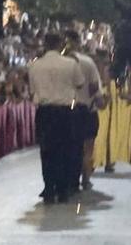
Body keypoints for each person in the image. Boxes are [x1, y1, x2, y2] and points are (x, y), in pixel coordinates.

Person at [28, 34, 86, 205]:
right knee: (66, 150)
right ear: (60, 44)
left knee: (46, 151)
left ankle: (48, 188)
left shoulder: (34, 65)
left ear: (45, 45)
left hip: (45, 112)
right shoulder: (70, 63)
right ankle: (63, 189)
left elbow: (33, 90)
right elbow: (80, 83)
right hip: (66, 112)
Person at [69, 31, 105, 192]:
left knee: (70, 146)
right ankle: (86, 179)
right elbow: (95, 88)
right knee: (87, 147)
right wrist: (100, 100)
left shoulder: (62, 61)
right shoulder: (87, 62)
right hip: (87, 110)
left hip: (66, 110)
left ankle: (72, 178)